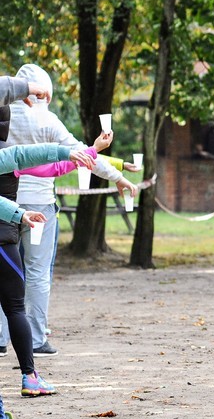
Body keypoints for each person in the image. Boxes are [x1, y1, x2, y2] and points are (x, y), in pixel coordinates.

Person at [0, 63, 138, 358]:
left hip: (5, 205)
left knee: (4, 271)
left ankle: (0, 339)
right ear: (45, 91)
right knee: (36, 272)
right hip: (40, 208)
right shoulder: (48, 121)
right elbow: (79, 154)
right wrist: (118, 177)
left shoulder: (4, 118)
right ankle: (36, 338)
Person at [0, 73, 75, 419]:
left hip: (9, 228)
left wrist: (73, 152)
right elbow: (28, 156)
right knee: (16, 303)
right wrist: (17, 215)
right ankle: (27, 380)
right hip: (2, 239)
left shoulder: (7, 152)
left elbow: (27, 156)